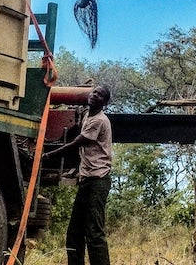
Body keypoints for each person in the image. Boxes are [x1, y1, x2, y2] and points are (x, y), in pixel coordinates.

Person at [44, 85, 112, 265]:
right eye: (93, 92)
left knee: (94, 231)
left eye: (99, 95)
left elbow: (76, 143)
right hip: (86, 179)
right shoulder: (86, 116)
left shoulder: (99, 120)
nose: (93, 95)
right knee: (74, 232)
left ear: (104, 103)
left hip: (98, 180)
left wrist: (50, 154)